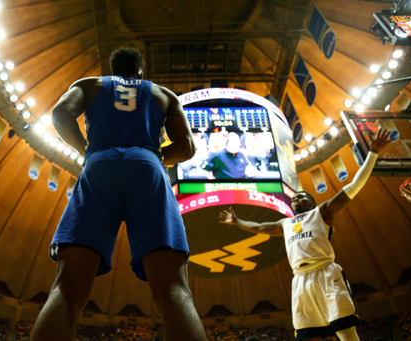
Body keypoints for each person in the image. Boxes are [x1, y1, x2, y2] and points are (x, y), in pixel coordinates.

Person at [29, 47, 207, 341]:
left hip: (99, 164)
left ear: (112, 70)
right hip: (147, 165)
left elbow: (61, 113)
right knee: (174, 290)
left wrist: (84, 149)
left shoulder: (90, 84)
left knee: (67, 288)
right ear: (140, 72)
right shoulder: (164, 94)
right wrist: (157, 157)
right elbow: (186, 147)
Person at [219, 129, 392, 341]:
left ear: (311, 203)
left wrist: (373, 153)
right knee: (307, 335)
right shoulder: (285, 223)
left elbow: (354, 186)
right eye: (294, 197)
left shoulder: (323, 211)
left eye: (302, 196)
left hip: (326, 272)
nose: (296, 198)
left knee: (345, 330)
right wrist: (237, 222)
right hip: (299, 280)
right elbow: (258, 227)